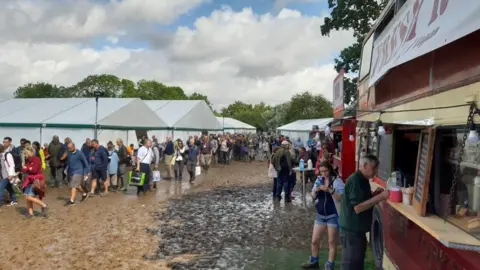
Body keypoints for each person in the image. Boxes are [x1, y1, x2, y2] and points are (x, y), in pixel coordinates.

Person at [339, 154, 389, 270]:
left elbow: (362, 200)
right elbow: (358, 208)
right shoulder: (356, 180)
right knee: (350, 265)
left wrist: (374, 195)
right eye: (374, 167)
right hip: (351, 232)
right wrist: (380, 197)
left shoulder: (363, 180)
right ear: (365, 166)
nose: (376, 171)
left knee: (357, 264)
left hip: (357, 231)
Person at [302, 161, 344, 269]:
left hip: (333, 215)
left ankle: (330, 264)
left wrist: (329, 190)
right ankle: (314, 261)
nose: (323, 174)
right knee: (314, 240)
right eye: (321, 172)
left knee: (331, 241)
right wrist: (315, 191)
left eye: (325, 171)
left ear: (329, 170)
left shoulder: (337, 181)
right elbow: (312, 196)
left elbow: (341, 198)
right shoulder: (318, 180)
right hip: (320, 214)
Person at [21, 145, 48, 218]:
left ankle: (44, 205)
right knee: (27, 197)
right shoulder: (28, 160)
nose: (25, 155)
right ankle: (30, 213)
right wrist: (28, 168)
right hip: (29, 180)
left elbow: (34, 170)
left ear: (30, 152)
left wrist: (27, 168)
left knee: (29, 197)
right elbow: (23, 169)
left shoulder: (36, 159)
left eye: (26, 153)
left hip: (36, 180)